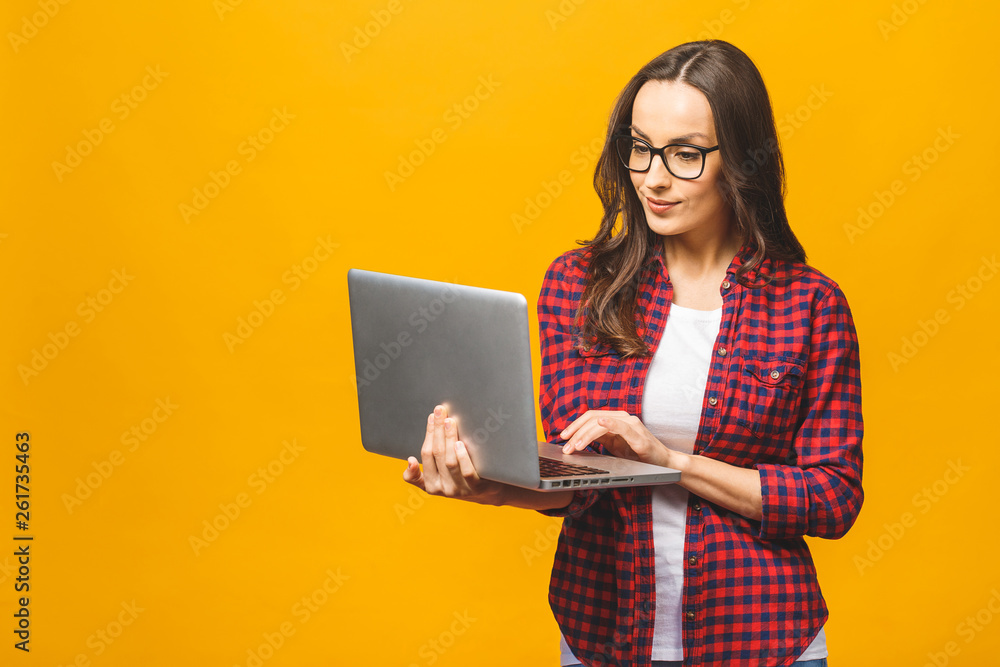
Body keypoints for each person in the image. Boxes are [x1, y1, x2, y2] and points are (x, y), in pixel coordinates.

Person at [402, 40, 863, 667]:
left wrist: (668, 459)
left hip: (764, 640)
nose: (653, 176)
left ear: (743, 160)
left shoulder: (809, 305)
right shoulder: (578, 285)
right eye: (640, 147)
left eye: (686, 154)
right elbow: (577, 481)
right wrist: (489, 486)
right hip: (603, 633)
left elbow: (831, 498)